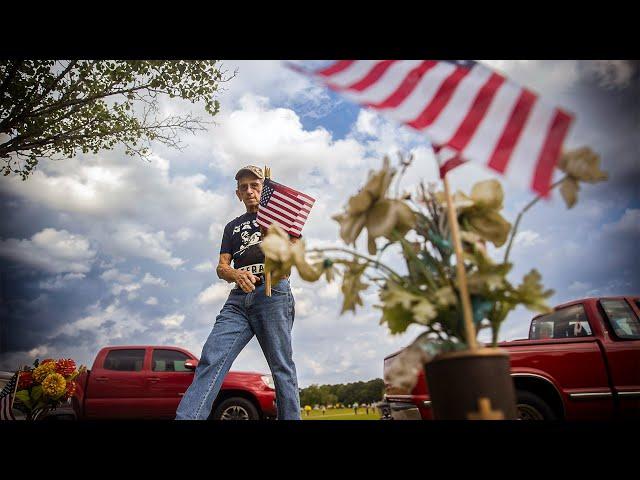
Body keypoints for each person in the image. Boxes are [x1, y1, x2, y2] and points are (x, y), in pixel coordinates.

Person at [175, 165, 300, 420]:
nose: (250, 191)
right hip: (238, 300)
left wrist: (274, 241)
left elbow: (296, 254)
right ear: (238, 194)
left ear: (265, 189)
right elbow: (222, 267)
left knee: (281, 367)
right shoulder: (232, 227)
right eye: (244, 187)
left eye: (255, 185)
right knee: (211, 359)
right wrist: (235, 274)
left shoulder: (281, 219)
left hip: (272, 292)